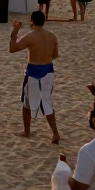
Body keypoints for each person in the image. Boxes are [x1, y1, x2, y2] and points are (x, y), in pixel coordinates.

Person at [10, 11, 60, 143]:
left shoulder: (31, 36)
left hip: (33, 70)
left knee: (26, 102)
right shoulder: (52, 36)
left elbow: (12, 48)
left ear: (32, 21)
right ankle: (55, 133)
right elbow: (55, 55)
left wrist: (15, 30)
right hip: (48, 70)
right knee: (47, 102)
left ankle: (26, 131)